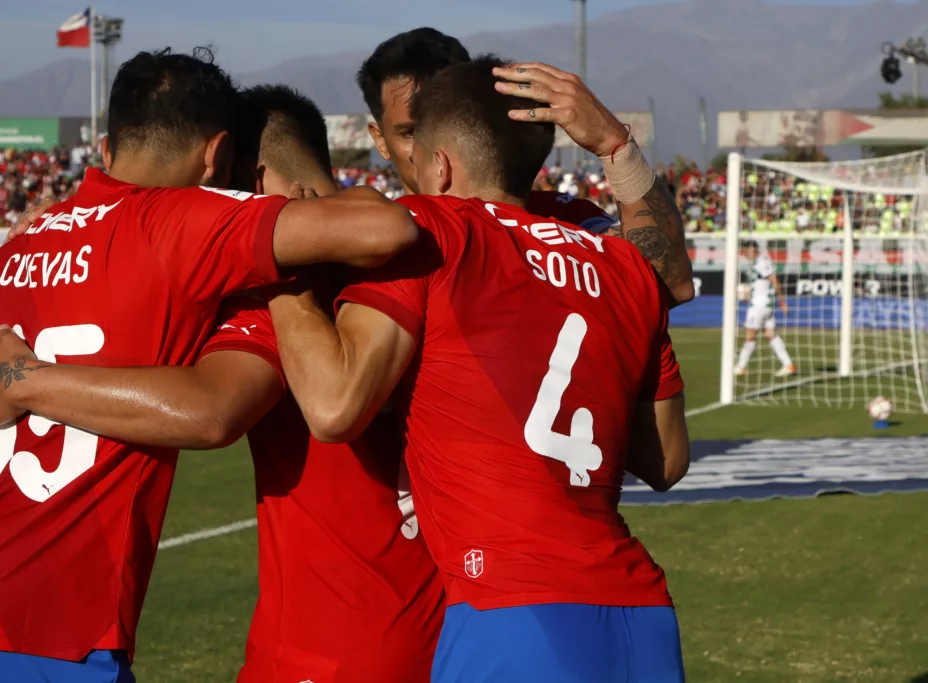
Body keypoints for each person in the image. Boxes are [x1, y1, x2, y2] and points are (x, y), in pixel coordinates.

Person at [0, 50, 416, 683]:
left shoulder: (9, 257)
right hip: (51, 631)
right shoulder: (183, 220)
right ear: (216, 155)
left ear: (110, 139)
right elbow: (382, 230)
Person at [265, 56, 691, 683]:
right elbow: (667, 459)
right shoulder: (624, 267)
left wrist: (275, 279)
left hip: (511, 611)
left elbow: (333, 407)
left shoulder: (436, 232)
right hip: (641, 618)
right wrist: (617, 145)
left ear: (439, 165)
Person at [356, 28, 693, 305]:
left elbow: (670, 283)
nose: (431, 146)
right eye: (410, 131)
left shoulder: (563, 223)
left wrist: (615, 146)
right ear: (380, 140)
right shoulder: (356, 236)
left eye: (449, 122)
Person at [734, 241, 795, 377]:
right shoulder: (758, 263)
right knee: (769, 334)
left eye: (746, 251)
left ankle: (741, 367)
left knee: (750, 336)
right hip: (766, 305)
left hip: (759, 306)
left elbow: (774, 280)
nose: (744, 254)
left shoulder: (761, 262)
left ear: (752, 250)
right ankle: (788, 365)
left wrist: (782, 301)